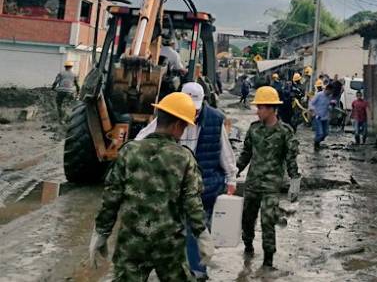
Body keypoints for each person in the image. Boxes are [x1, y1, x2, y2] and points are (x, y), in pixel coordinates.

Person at [89, 92, 214, 280]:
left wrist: (101, 232)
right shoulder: (183, 158)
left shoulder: (129, 152)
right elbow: (192, 203)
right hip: (169, 245)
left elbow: (111, 198)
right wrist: (202, 234)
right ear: (178, 125)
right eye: (184, 127)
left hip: (131, 244)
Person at [135, 82, 237, 280]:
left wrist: (231, 179)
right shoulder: (169, 118)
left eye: (195, 110)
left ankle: (197, 273)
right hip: (173, 188)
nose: (192, 115)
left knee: (196, 230)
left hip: (204, 187)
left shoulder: (215, 120)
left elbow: (226, 154)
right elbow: (141, 140)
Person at [237, 86, 300, 268]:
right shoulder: (254, 129)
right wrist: (235, 171)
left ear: (272, 108)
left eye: (261, 108)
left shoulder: (285, 132)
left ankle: (268, 260)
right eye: (258, 107)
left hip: (271, 186)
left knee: (268, 221)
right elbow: (246, 154)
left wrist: (294, 185)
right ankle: (248, 246)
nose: (258, 111)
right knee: (247, 219)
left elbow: (291, 160)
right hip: (252, 183)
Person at [309, 82, 331, 150]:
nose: (330, 93)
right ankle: (316, 144)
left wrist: (332, 106)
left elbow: (329, 107)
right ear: (327, 89)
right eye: (329, 92)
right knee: (320, 133)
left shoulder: (329, 97)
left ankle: (317, 141)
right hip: (318, 117)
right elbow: (311, 103)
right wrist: (313, 111)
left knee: (326, 133)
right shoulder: (319, 95)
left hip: (325, 117)